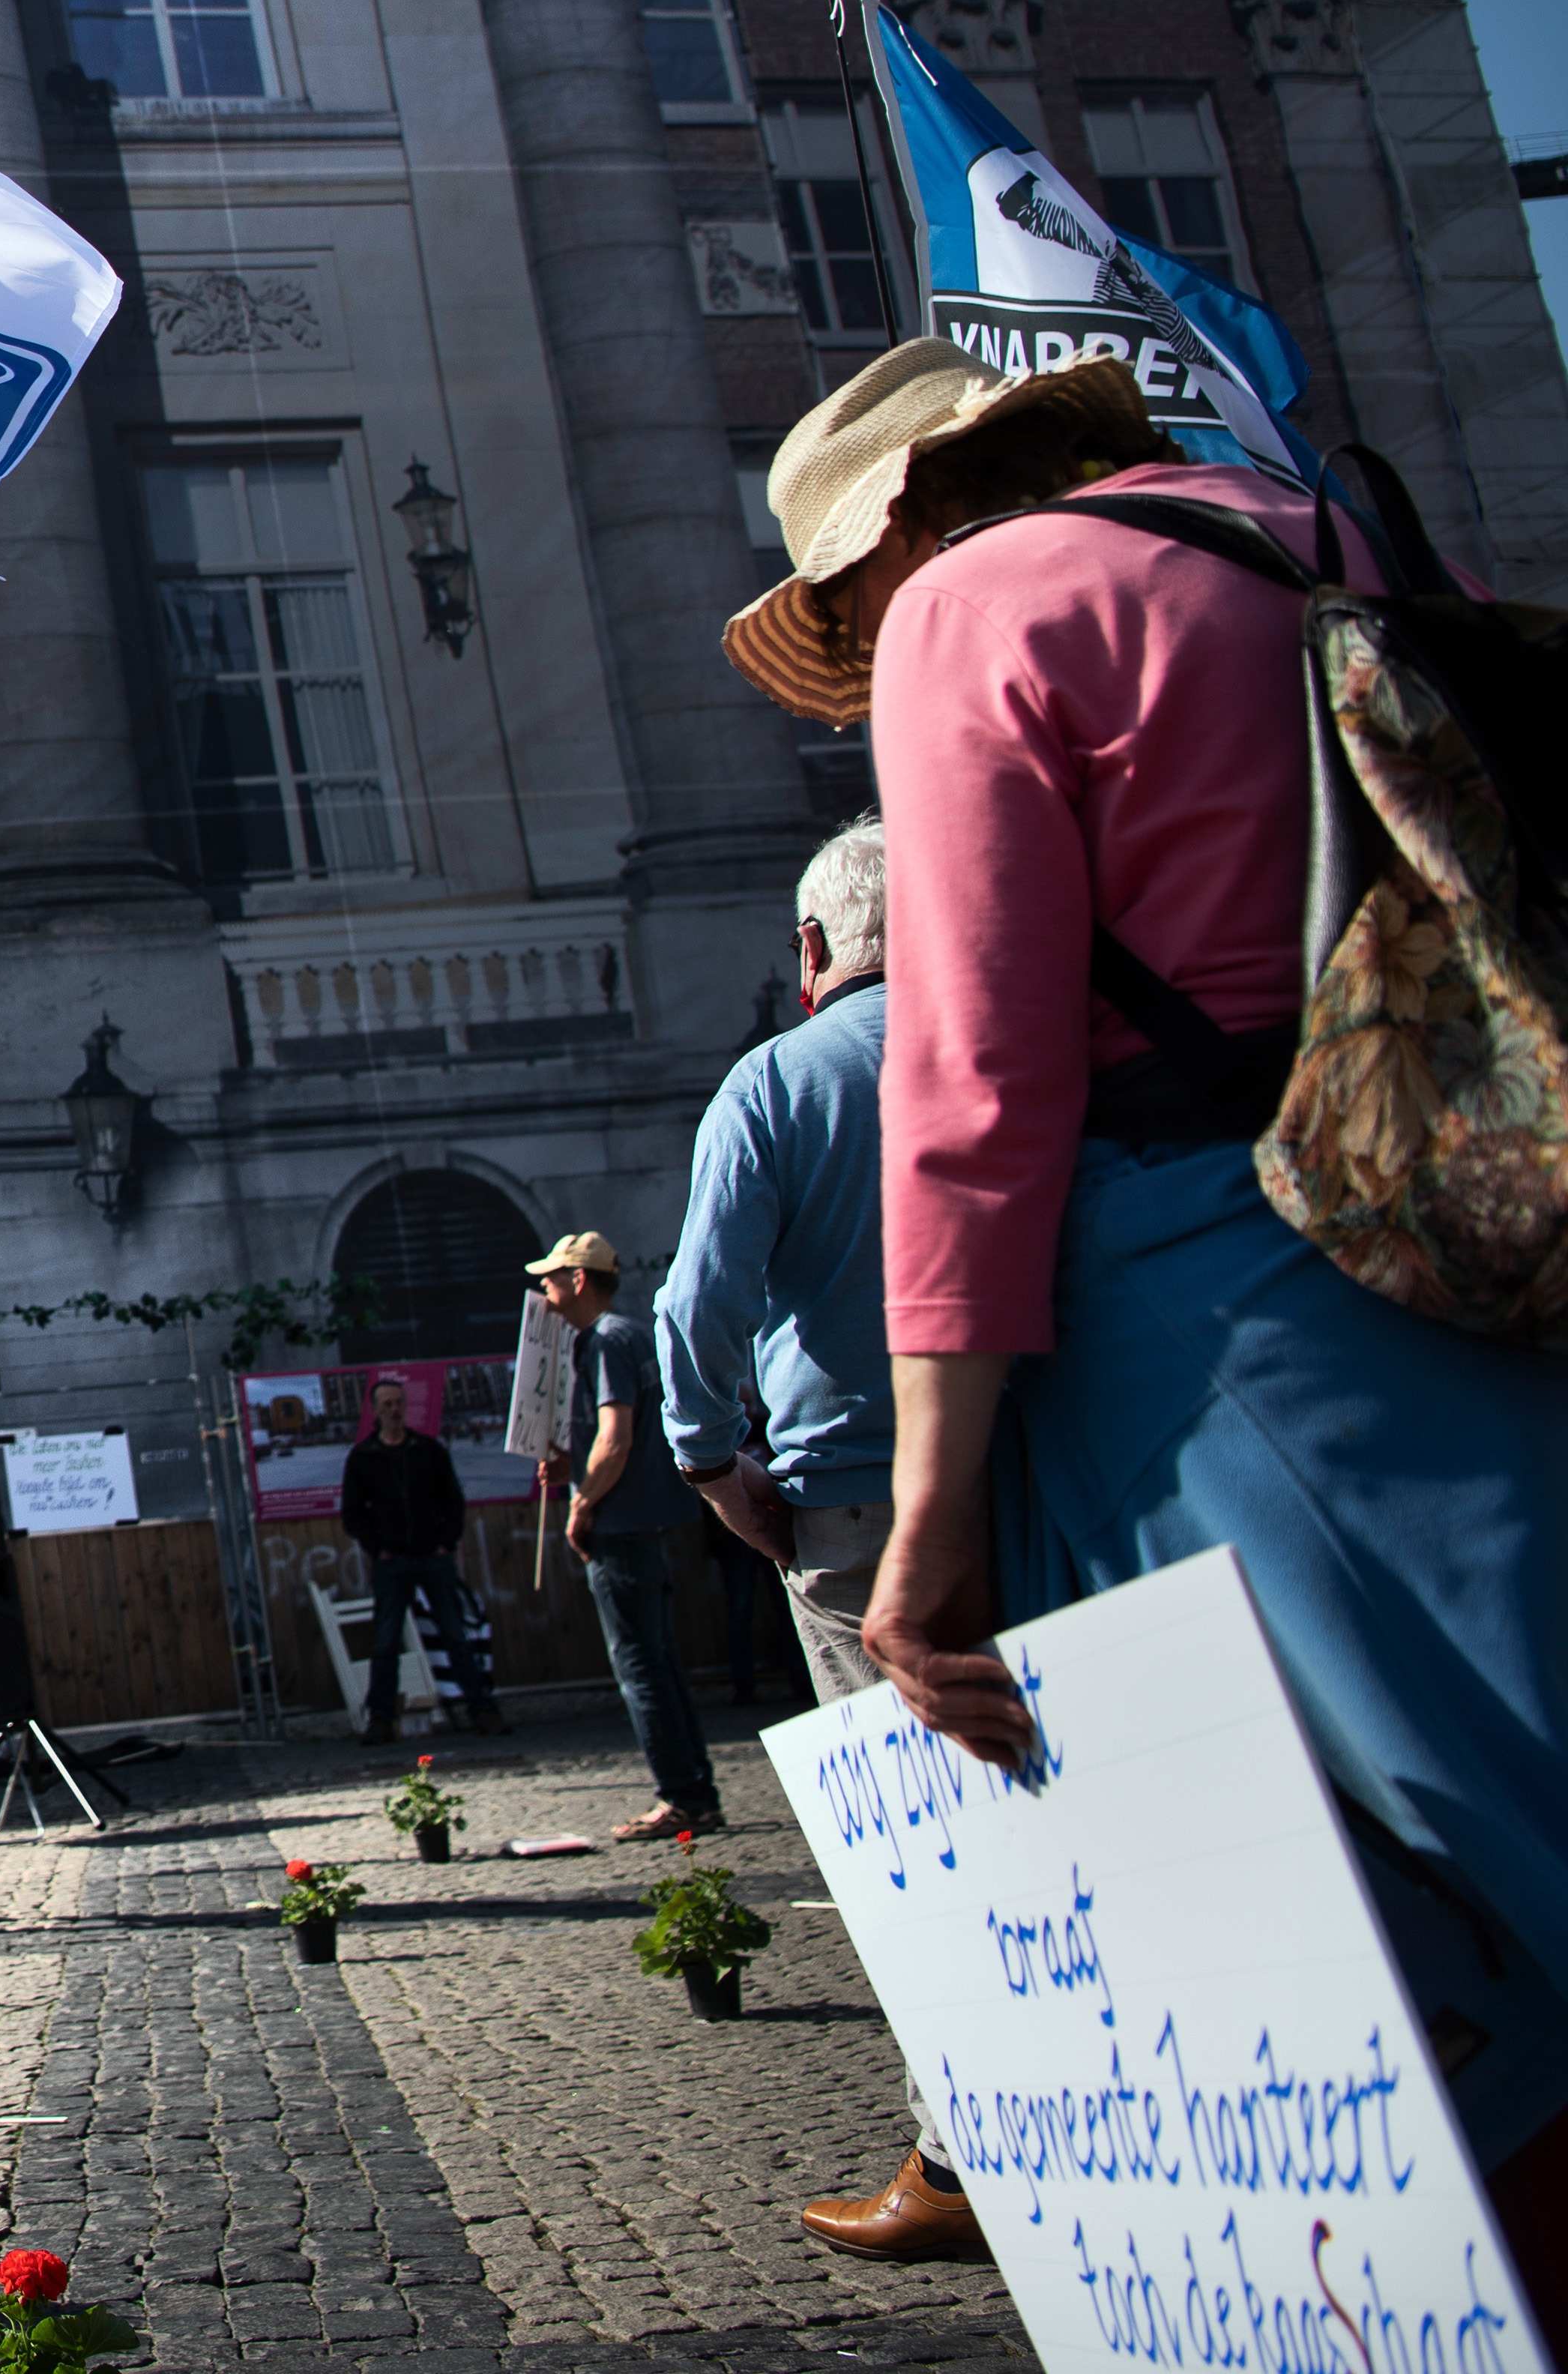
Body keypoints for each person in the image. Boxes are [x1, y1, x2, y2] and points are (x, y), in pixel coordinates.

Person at [731, 339, 1568, 2283]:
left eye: (846, 598)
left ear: (909, 520)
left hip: (1234, 1310)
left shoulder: (976, 604)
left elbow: (974, 1091)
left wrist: (929, 1528)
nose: (865, 647)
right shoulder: (1305, 533)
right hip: (1458, 1207)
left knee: (1401, 1908)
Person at [653, 811, 971, 2262]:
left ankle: (961, 2158)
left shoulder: (779, 1085)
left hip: (849, 1510)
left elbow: (695, 1310)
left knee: (925, 1849)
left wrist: (717, 1469)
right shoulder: (1021, 1043)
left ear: (810, 950)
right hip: (1039, 1480)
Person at [531, 1233, 723, 1840]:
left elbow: (616, 1438)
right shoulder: (634, 1333)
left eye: (552, 1276)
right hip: (648, 1522)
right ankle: (696, 1792)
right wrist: (575, 1472)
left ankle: (683, 1798)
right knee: (660, 1665)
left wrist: (581, 1504)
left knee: (641, 1668)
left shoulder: (604, 1340)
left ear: (579, 1280)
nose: (544, 1289)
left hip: (621, 1527)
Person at [335, 1379, 500, 1744]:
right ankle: (380, 1717)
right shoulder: (364, 1458)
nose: (394, 1410)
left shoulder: (427, 1451)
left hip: (430, 1554)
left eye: (399, 1403)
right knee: (386, 1640)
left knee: (455, 1634)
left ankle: (481, 1707)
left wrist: (446, 1542)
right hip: (392, 1559)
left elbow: (452, 1500)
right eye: (387, 1404)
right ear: (376, 1411)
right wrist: (377, 1547)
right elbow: (352, 1513)